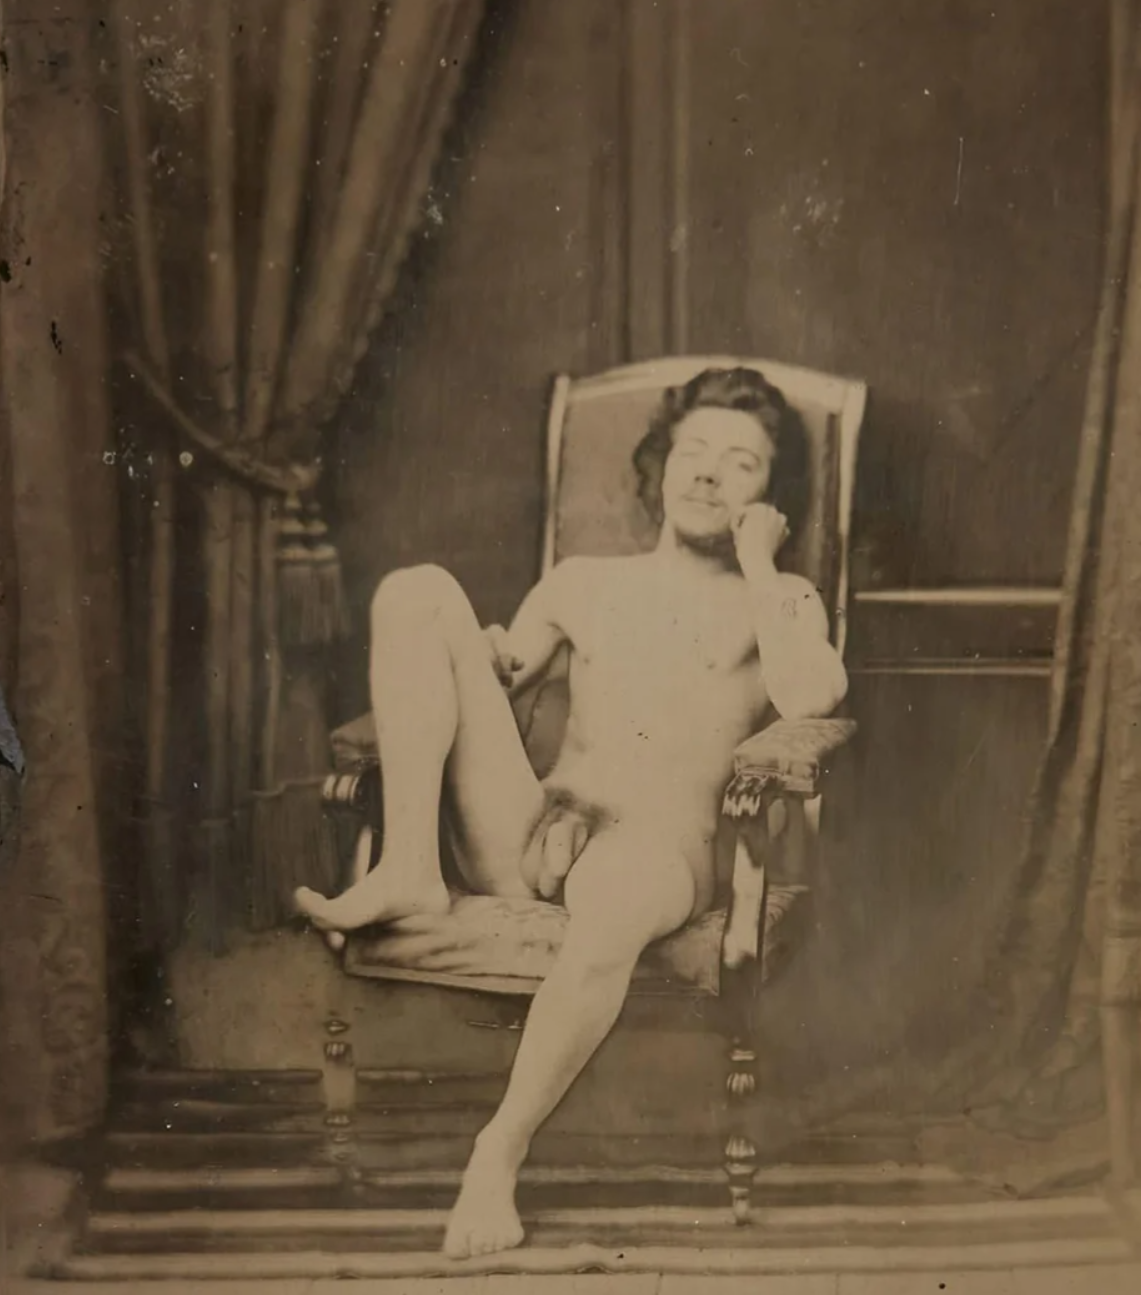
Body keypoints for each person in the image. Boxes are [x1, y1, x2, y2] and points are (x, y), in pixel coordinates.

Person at [294, 366, 849, 1259]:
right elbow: (506, 678)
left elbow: (812, 695)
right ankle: (410, 869)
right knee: (415, 591)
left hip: (655, 851)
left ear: (770, 499)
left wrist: (759, 563)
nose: (710, 472)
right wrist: (482, 659)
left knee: (615, 898)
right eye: (695, 450)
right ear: (660, 463)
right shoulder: (582, 582)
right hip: (532, 827)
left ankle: (497, 1153)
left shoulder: (778, 600)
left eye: (741, 462)